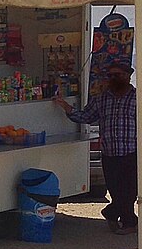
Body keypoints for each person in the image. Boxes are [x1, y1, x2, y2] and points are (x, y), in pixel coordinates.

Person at [55, 64, 137, 234]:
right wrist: (66, 107)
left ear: (128, 76)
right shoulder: (101, 99)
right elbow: (85, 116)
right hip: (109, 153)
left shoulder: (137, 98)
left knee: (131, 191)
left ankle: (123, 219)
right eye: (111, 75)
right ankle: (120, 217)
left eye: (118, 75)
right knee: (116, 190)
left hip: (132, 152)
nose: (114, 79)